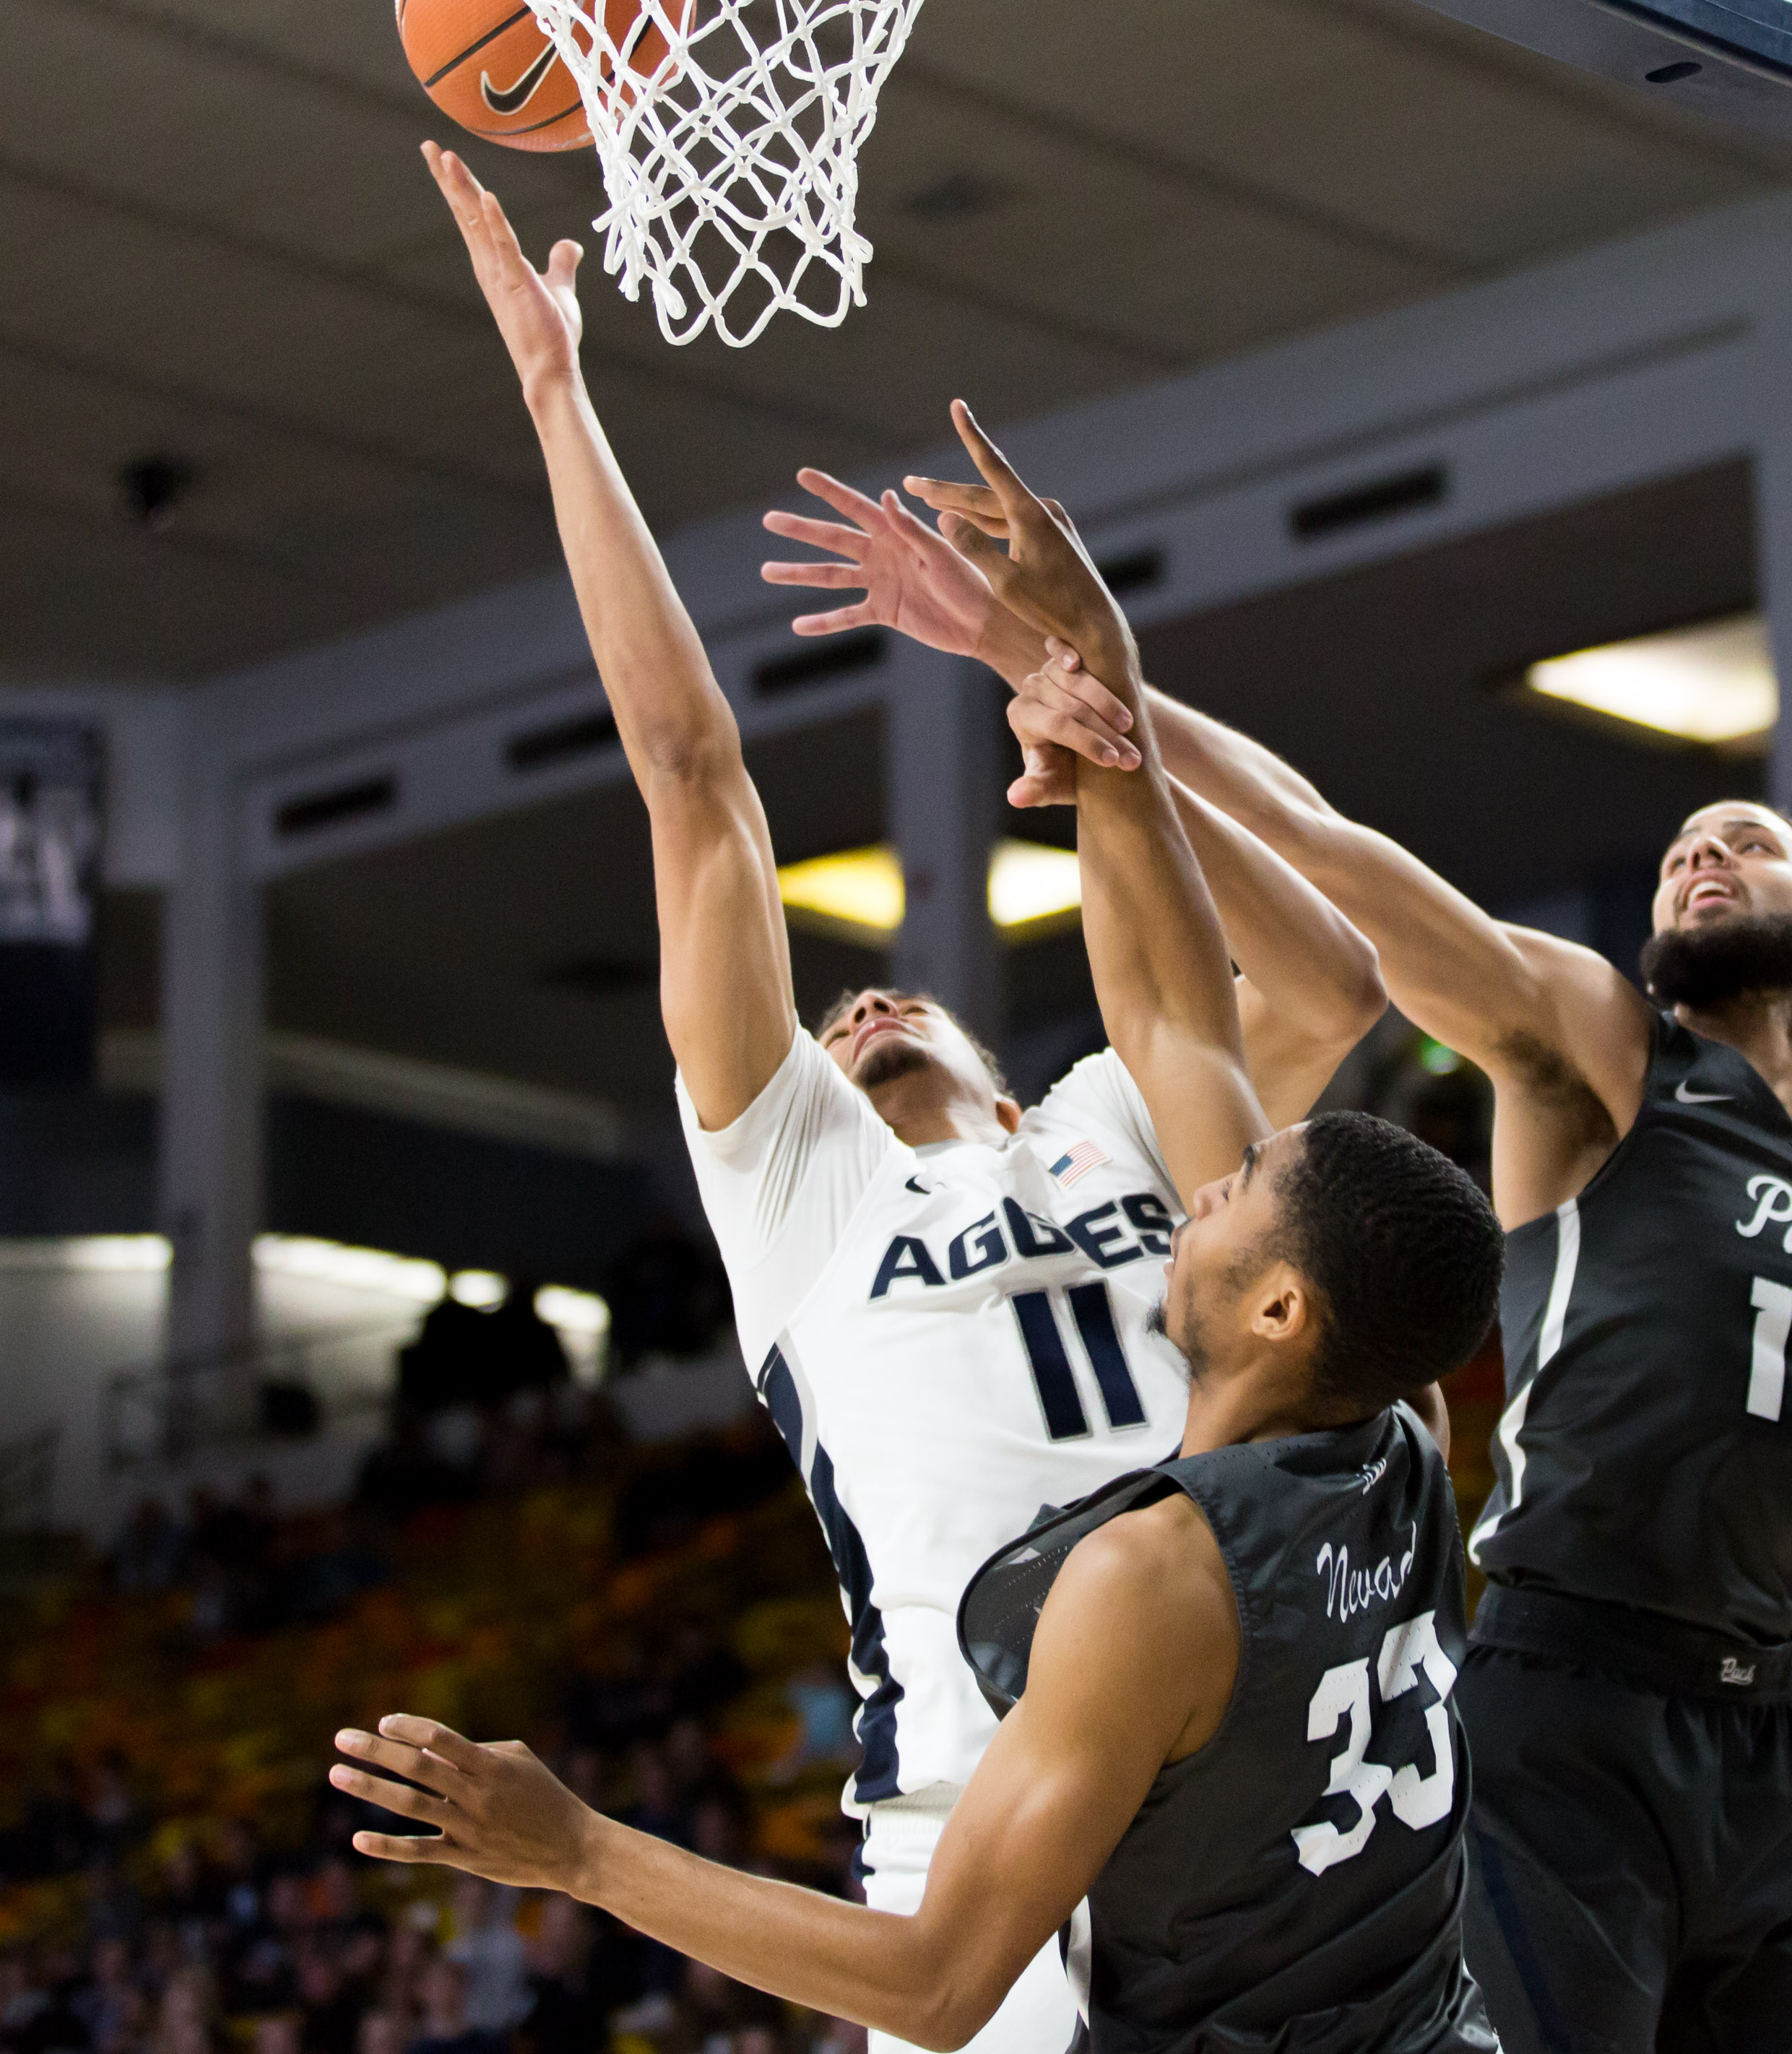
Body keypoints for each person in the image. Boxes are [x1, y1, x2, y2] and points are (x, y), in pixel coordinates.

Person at [328, 420, 1505, 2054]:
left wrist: (1080, 683)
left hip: (1215, 1792)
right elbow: (688, 770)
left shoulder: (1128, 1131)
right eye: (838, 1011)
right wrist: (550, 388)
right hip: (986, 1814)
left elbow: (1259, 992)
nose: (864, 1000)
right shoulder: (809, 1186)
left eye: (903, 997)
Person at [760, 452, 1792, 2053]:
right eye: (1677, 850)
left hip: (1774, 1726)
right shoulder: (1602, 1047)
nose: (1698, 857)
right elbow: (1327, 861)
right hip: (1569, 1692)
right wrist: (1069, 667)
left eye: (1741, 839)